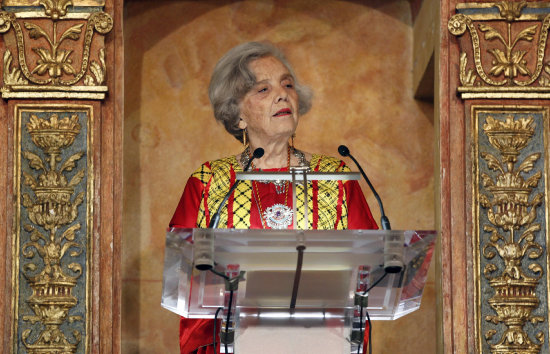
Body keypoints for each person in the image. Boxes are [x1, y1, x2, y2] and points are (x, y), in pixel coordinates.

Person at [170, 41, 378, 354]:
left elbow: (372, 269)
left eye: (287, 84)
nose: (282, 93)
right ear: (238, 114)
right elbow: (183, 280)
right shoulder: (209, 182)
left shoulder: (334, 176)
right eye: (262, 89)